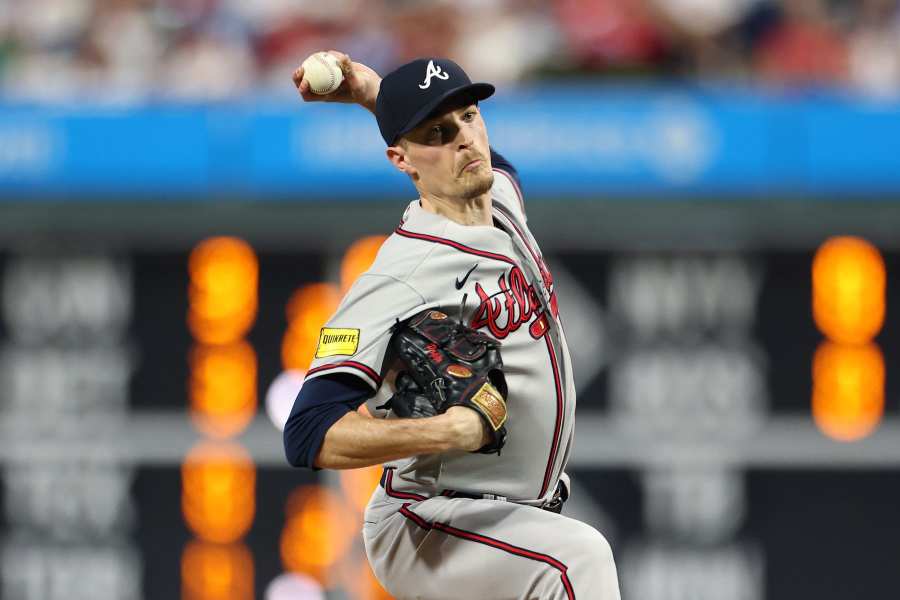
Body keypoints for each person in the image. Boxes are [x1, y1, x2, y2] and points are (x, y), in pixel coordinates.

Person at [284, 51, 621, 600]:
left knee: (564, 558)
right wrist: (447, 431)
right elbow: (306, 431)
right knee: (575, 561)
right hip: (429, 520)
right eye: (438, 132)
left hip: (506, 519)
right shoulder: (400, 274)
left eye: (468, 115)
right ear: (402, 159)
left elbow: (493, 166)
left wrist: (376, 93)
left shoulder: (501, 204)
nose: (465, 139)